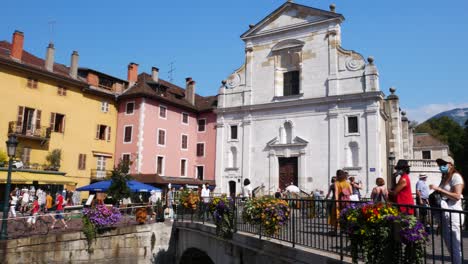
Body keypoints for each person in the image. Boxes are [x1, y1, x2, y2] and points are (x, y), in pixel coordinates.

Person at [430, 159, 464, 264]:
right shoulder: (444, 177)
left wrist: (439, 190)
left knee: (455, 245)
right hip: (445, 214)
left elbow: (457, 196)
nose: (441, 166)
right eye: (440, 164)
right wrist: (440, 223)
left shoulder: (456, 177)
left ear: (450, 164)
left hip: (454, 213)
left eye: (443, 164)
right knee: (449, 245)